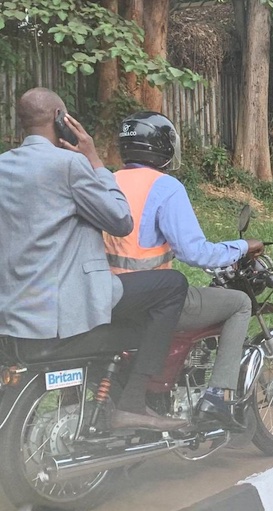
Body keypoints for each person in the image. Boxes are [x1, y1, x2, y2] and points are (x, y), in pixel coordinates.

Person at [0, 88, 189, 431]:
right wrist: (96, 161)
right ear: (61, 119)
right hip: (59, 315)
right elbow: (120, 219)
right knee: (172, 285)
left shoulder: (3, 166)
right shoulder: (70, 165)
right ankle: (133, 402)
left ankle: (90, 396)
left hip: (14, 315)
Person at [104, 111, 264, 429]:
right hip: (155, 300)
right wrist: (243, 247)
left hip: (106, 296)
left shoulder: (106, 180)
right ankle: (217, 396)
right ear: (164, 148)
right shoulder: (166, 188)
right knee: (239, 304)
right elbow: (195, 253)